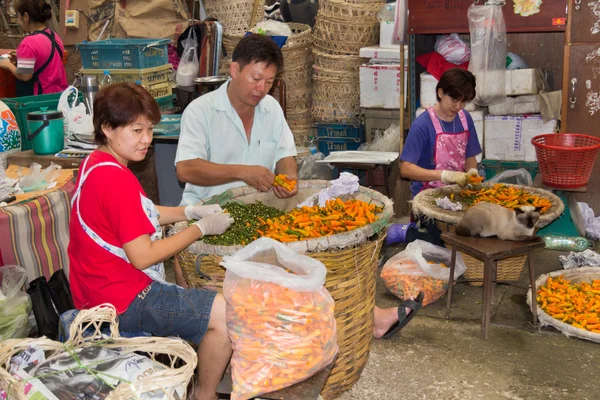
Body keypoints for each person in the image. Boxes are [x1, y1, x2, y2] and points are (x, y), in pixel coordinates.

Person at [67, 82, 235, 400]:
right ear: (107, 127)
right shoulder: (116, 179)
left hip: (93, 290)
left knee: (194, 300)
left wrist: (188, 210)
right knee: (224, 315)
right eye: (136, 130)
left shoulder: (95, 164)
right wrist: (200, 229)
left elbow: (136, 214)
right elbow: (143, 256)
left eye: (149, 129)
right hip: (123, 301)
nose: (147, 140)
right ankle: (205, 393)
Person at [175, 33, 298, 206]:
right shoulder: (200, 111)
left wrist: (289, 179)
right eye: (255, 79)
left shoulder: (271, 108)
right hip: (206, 213)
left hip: (257, 210)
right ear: (235, 70)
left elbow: (285, 155)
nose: (261, 88)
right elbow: (185, 169)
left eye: (269, 82)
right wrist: (242, 172)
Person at [387, 68, 482, 245]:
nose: (458, 107)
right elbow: (405, 169)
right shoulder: (423, 124)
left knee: (477, 235)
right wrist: (443, 175)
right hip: (428, 197)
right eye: (454, 100)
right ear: (440, 92)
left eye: (464, 102)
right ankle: (408, 233)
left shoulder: (465, 118)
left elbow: (469, 156)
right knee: (443, 243)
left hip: (457, 193)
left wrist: (472, 171)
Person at [0, 0, 68, 96]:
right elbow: (46, 61)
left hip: (40, 101)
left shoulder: (28, 43)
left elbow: (25, 75)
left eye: (17, 16)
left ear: (26, 16)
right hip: (59, 96)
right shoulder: (54, 36)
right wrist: (22, 57)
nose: (18, 21)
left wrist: (7, 64)